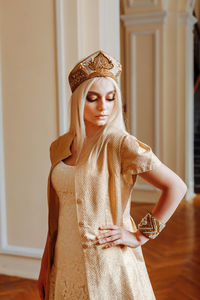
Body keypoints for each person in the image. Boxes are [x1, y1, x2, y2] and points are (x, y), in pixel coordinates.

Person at [38, 50, 187, 300]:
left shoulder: (121, 144)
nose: (103, 107)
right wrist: (46, 264)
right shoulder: (60, 146)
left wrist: (140, 235)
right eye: (92, 98)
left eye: (110, 98)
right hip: (63, 259)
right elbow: (57, 214)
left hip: (107, 263)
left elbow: (176, 187)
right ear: (77, 100)